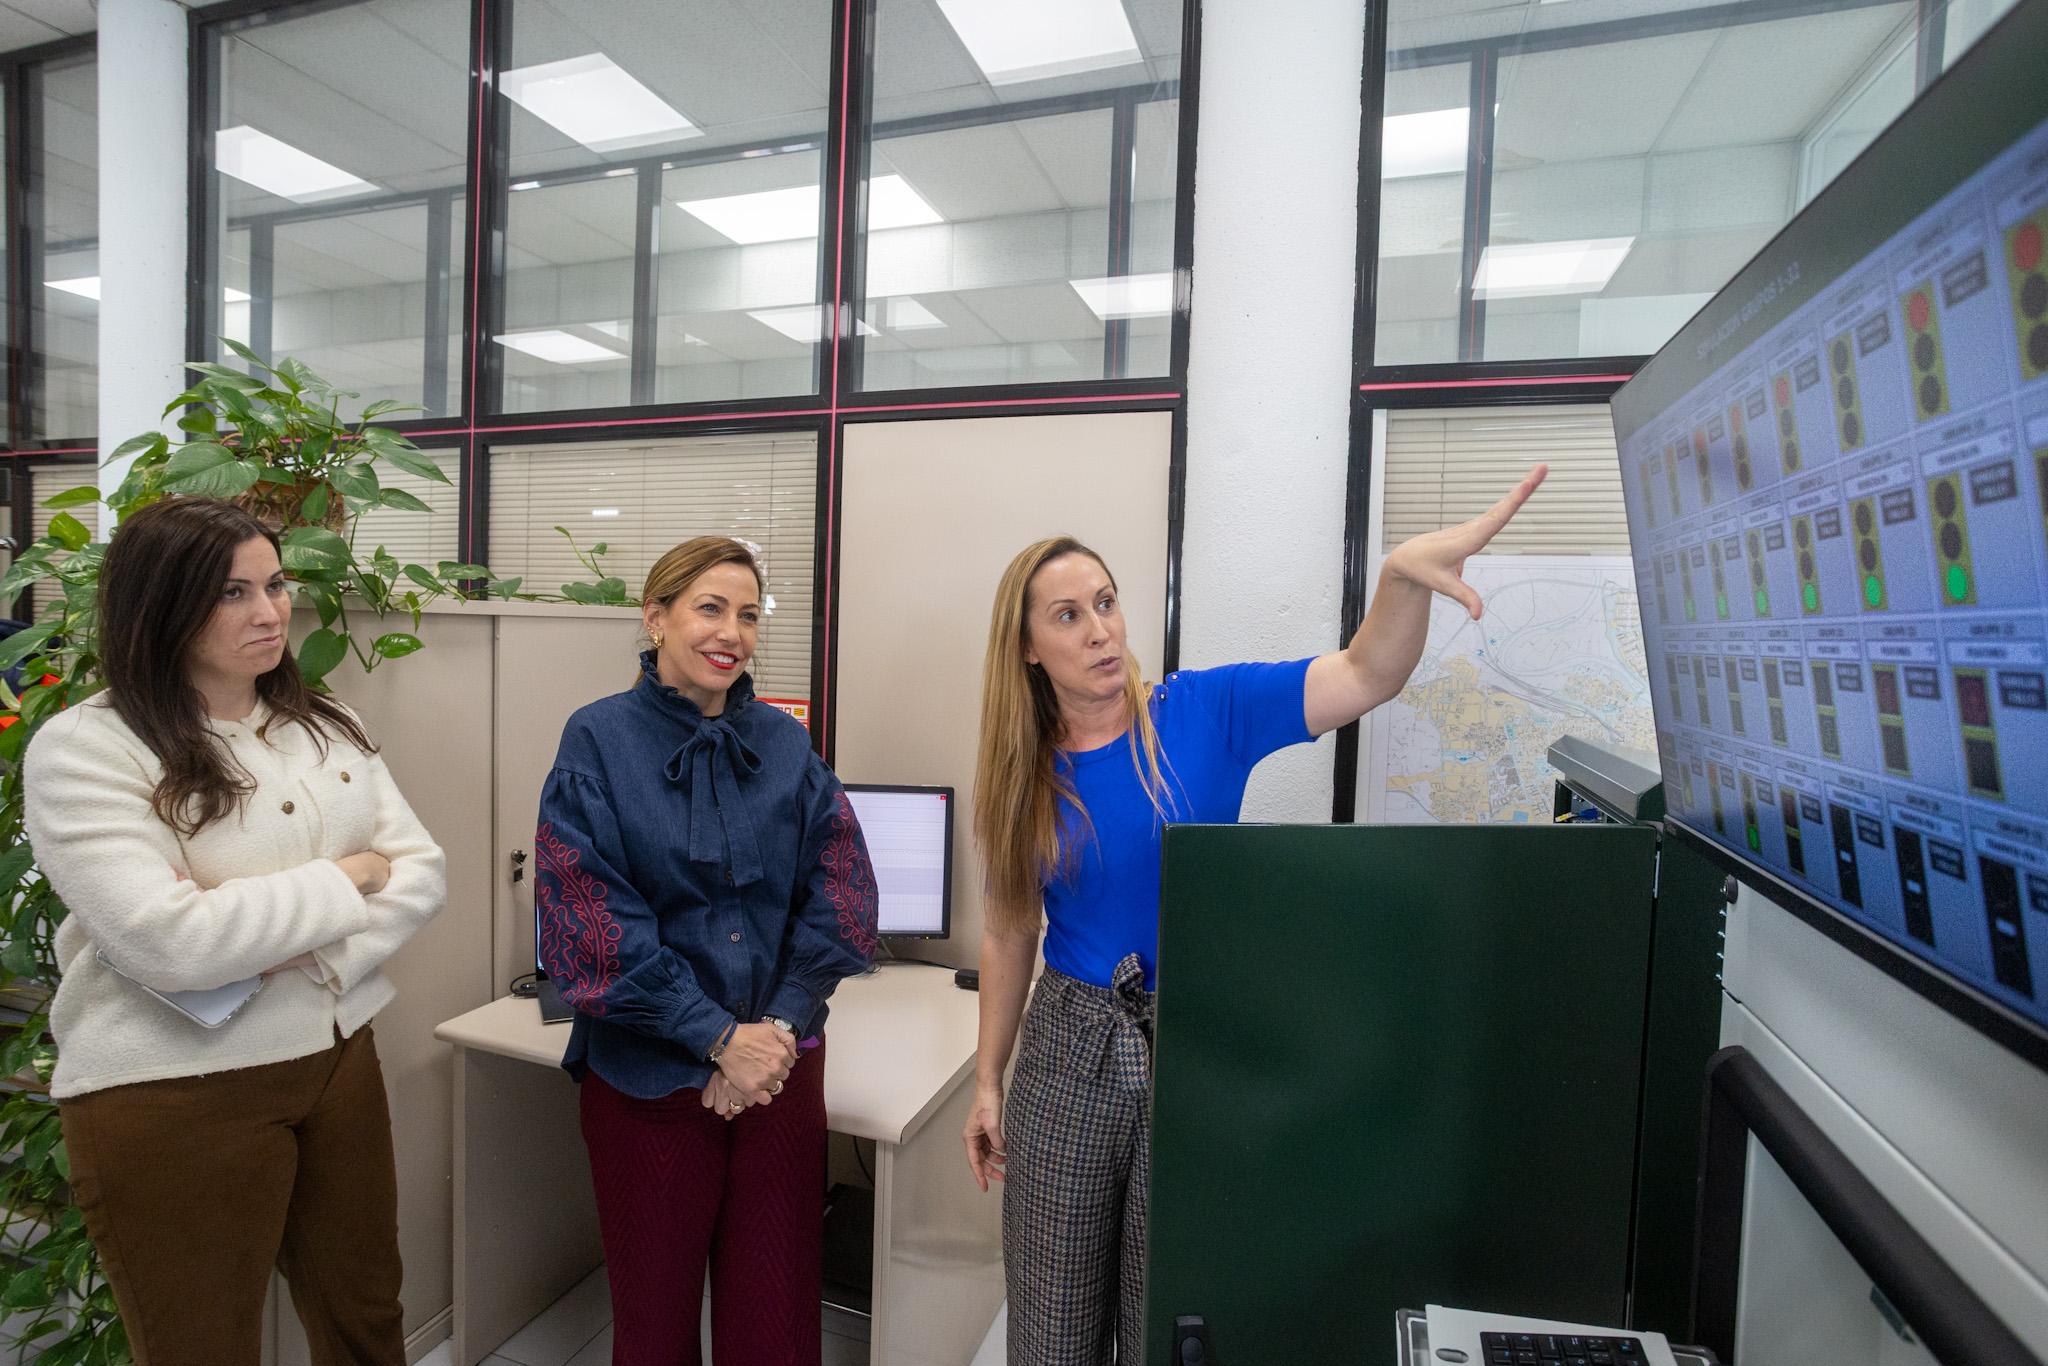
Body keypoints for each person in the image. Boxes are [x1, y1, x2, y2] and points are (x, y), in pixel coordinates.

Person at [962, 468, 1549, 1364]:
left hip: (1197, 1048)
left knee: (1168, 1318)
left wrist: (1399, 576)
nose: (1101, 630)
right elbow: (1011, 933)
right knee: (1052, 1327)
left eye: (1107, 603)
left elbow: (1367, 671)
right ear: (1029, 648)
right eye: (1068, 616)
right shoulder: (1022, 776)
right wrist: (987, 1080)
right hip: (1069, 1054)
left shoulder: (1206, 711)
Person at [22, 496, 446, 1365]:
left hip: (336, 1055)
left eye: (275, 584)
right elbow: (168, 943)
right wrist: (348, 877)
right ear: (160, 604)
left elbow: (422, 872)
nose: (270, 612)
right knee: (202, 1344)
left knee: (366, 1315)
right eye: (231, 592)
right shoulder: (87, 748)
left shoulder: (327, 724)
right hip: (171, 1085)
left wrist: (256, 935)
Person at [535, 534, 878, 1366]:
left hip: (779, 1080)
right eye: (711, 609)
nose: (733, 633)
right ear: (656, 618)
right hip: (648, 1081)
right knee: (653, 1325)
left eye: (749, 616)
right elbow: (590, 923)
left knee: (776, 1320)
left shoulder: (785, 743)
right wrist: (718, 1038)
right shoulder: (598, 739)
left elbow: (842, 894)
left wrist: (775, 1030)